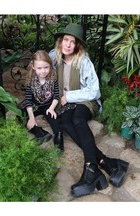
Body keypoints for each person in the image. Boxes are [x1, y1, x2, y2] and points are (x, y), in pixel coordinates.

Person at [49, 23, 129, 197]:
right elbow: (40, 70)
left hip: (86, 101)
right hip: (67, 103)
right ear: (61, 41)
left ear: (78, 45)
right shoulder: (54, 56)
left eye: (73, 41)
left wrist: (69, 96)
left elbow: (94, 91)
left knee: (78, 120)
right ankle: (107, 163)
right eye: (65, 40)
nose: (68, 45)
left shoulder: (83, 61)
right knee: (67, 123)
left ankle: (91, 168)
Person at [18, 50, 64, 151]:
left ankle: (58, 137)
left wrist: (52, 108)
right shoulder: (30, 79)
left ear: (50, 66)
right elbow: (28, 99)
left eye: (46, 67)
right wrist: (31, 117)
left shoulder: (53, 78)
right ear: (33, 67)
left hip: (48, 105)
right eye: (39, 68)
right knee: (21, 115)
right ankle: (40, 133)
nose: (43, 71)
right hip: (34, 105)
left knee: (54, 119)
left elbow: (56, 95)